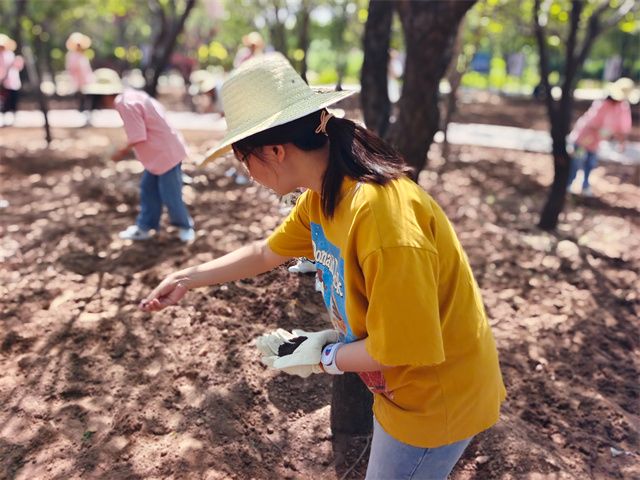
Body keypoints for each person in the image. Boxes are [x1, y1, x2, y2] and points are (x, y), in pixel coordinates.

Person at [140, 53, 505, 479]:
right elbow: (266, 252)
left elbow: (404, 348)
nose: (249, 173)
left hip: (437, 399)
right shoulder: (322, 194)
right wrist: (188, 278)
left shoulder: (381, 217)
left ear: (275, 151)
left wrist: (323, 356)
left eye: (244, 159)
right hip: (404, 390)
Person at [84, 68, 195, 243]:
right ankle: (145, 226)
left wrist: (118, 153)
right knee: (148, 189)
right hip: (160, 154)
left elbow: (137, 136)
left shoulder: (124, 104)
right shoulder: (133, 95)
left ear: (103, 96)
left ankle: (185, 226)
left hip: (165, 154)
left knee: (170, 194)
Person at [568, 77, 634, 197]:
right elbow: (592, 122)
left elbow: (623, 127)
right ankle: (568, 185)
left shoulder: (622, 108)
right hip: (584, 139)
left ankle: (585, 186)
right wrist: (603, 130)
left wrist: (622, 142)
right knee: (577, 161)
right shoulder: (603, 104)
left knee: (590, 163)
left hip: (595, 143)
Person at [65, 32, 94, 123]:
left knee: (88, 98)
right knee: (81, 98)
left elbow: (86, 69)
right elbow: (71, 68)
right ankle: (84, 115)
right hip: (78, 80)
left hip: (86, 80)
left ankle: (88, 115)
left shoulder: (83, 55)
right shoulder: (72, 55)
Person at [0, 34, 24, 126]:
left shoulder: (10, 54)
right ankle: (4, 118)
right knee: (3, 102)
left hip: (12, 82)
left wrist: (18, 62)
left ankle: (12, 118)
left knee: (12, 100)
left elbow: (18, 67)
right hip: (2, 82)